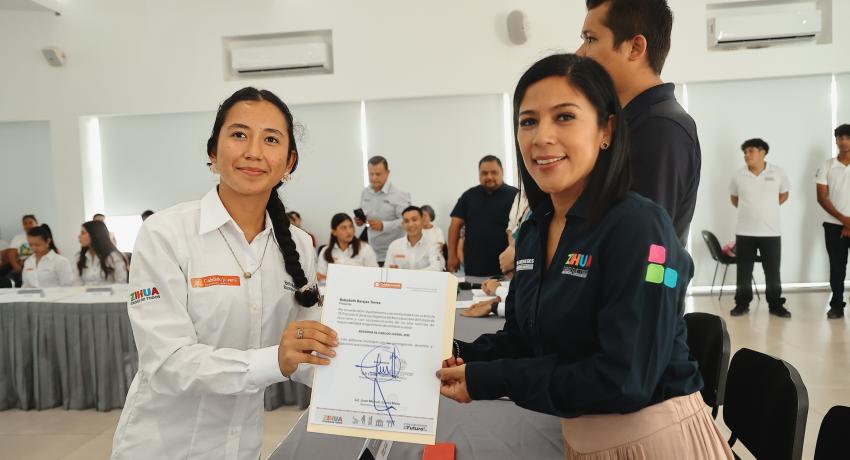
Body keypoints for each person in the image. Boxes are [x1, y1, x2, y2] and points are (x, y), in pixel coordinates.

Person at [438, 54, 732, 459]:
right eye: (528, 121)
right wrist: (459, 353)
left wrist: (490, 379)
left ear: (607, 129)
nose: (541, 137)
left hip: (655, 442)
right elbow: (527, 339)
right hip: (581, 440)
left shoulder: (640, 227)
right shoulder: (535, 228)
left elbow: (625, 379)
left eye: (564, 117)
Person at [110, 87, 338, 459]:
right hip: (161, 447)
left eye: (270, 139)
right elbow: (167, 364)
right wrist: (274, 360)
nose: (253, 151)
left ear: (289, 162)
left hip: (240, 446)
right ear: (213, 152)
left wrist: (393, 374)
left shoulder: (298, 244)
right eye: (238, 134)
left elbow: (308, 346)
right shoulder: (166, 233)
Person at [577, 0, 700, 245]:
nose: (580, 52)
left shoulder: (661, 128)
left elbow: (643, 245)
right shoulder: (628, 120)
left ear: (635, 47)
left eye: (591, 39)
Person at [729, 139, 791, 318]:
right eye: (745, 152)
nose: (746, 155)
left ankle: (775, 304)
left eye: (750, 151)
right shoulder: (738, 175)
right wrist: (750, 211)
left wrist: (768, 208)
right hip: (745, 232)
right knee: (743, 272)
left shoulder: (778, 172)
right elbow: (734, 198)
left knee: (772, 272)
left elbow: (784, 194)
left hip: (771, 232)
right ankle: (741, 304)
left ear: (762, 152)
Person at [447, 156, 518, 276]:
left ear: (502, 172)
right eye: (484, 173)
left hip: (508, 268)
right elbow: (454, 226)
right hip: (475, 268)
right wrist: (452, 256)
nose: (489, 177)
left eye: (494, 172)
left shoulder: (516, 196)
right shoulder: (468, 196)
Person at [816, 124, 850, 319]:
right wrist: (845, 221)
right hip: (833, 226)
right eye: (840, 137)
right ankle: (837, 305)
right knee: (837, 268)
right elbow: (822, 197)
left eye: (847, 137)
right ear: (836, 140)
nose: (843, 141)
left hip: (845, 224)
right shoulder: (827, 165)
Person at [355, 156, 411, 264]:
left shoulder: (399, 195)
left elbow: (406, 221)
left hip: (394, 253)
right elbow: (365, 217)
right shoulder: (365, 193)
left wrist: (383, 226)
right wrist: (360, 221)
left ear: (387, 172)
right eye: (371, 174)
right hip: (371, 252)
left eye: (378, 174)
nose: (374, 178)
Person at [317, 213, 378, 281]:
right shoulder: (325, 251)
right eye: (343, 228)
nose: (349, 231)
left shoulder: (365, 249)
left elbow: (374, 276)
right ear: (334, 232)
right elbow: (321, 278)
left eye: (351, 226)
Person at [385, 206, 444, 271]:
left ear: (422, 221)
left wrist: (407, 275)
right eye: (406, 221)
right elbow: (387, 269)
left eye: (414, 220)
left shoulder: (433, 244)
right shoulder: (394, 245)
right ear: (403, 224)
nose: (410, 224)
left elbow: (436, 268)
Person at [76, 220, 128, 285]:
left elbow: (121, 284)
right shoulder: (79, 257)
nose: (79, 236)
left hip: (111, 294)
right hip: (83, 294)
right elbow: (76, 283)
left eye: (83, 233)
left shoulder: (115, 257)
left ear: (94, 234)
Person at [3, 214, 39, 286]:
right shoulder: (18, 238)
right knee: (8, 281)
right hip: (20, 266)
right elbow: (11, 255)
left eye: (30, 222)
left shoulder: (42, 236)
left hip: (38, 265)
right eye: (25, 223)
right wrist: (17, 268)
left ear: (36, 223)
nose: (28, 225)